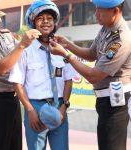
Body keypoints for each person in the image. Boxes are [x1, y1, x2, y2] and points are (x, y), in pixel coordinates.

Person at [49, 0, 131, 150]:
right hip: (105, 102)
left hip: (115, 104)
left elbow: (94, 76)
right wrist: (68, 45)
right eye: (96, 8)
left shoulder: (121, 39)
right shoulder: (106, 29)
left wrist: (66, 54)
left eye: (100, 9)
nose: (96, 13)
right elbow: (92, 54)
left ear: (115, 10)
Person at [8, 0, 77, 150]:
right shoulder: (25, 50)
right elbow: (17, 83)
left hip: (59, 107)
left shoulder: (62, 49)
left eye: (49, 18)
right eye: (40, 18)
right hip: (35, 108)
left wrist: (64, 107)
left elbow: (68, 80)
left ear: (54, 22)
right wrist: (30, 110)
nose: (45, 22)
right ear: (33, 22)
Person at [0, 0, 42, 150]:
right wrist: (21, 44)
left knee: (15, 145)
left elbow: (23, 57)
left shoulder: (7, 35)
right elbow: (1, 69)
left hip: (13, 98)